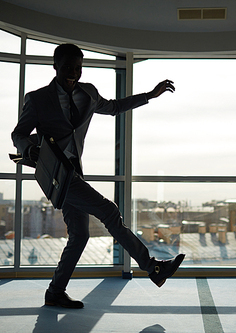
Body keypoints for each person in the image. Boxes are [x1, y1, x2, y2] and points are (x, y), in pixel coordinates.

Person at [12, 43, 185, 309]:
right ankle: (152, 268)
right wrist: (31, 149)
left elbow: (115, 107)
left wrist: (149, 94)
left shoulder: (88, 93)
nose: (73, 73)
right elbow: (18, 134)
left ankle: (55, 292)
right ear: (55, 66)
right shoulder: (37, 99)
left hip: (74, 173)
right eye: (68, 67)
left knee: (80, 235)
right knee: (109, 210)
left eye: (78, 68)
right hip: (55, 176)